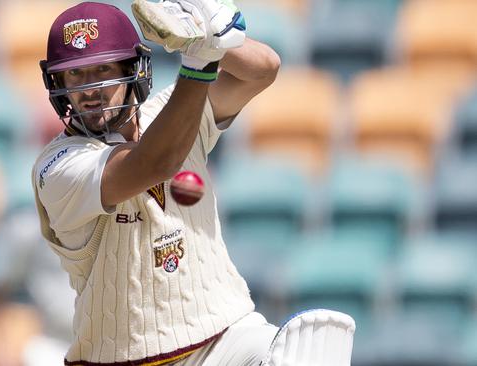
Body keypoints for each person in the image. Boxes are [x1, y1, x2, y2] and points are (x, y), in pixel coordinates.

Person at [31, 1, 355, 365]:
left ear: (132, 68)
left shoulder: (173, 111)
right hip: (121, 357)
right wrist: (200, 61)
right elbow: (156, 161)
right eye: (76, 75)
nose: (91, 89)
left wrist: (208, 37)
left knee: (304, 353)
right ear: (57, 82)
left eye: (103, 69)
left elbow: (263, 69)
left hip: (225, 337)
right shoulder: (58, 168)